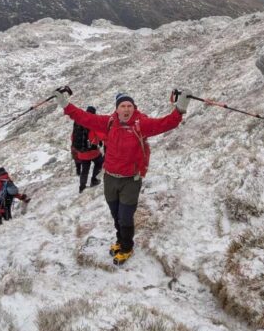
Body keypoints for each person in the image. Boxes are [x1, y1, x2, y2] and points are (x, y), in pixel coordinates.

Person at [56, 89, 190, 265]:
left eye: (129, 106)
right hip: (110, 178)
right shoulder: (108, 123)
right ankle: (120, 240)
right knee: (115, 214)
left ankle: (127, 247)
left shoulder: (141, 124)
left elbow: (166, 123)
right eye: (122, 106)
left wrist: (180, 109)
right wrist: (65, 104)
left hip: (130, 180)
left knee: (125, 216)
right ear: (117, 109)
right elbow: (83, 117)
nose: (126, 109)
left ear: (134, 108)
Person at [71, 105, 105, 193]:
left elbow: (73, 137)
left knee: (84, 169)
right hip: (92, 152)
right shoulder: (92, 123)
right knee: (99, 162)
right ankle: (94, 180)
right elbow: (99, 137)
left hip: (81, 153)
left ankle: (82, 187)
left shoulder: (78, 122)